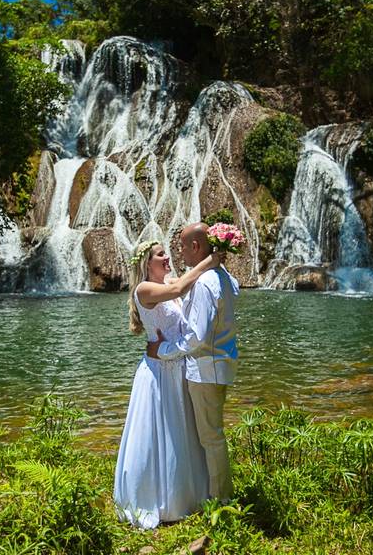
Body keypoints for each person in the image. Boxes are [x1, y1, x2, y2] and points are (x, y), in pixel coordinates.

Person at [113, 239, 221, 528]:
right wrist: (209, 261)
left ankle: (186, 495)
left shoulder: (170, 281)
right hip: (158, 372)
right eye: (161, 255)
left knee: (182, 431)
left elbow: (183, 288)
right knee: (160, 433)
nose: (167, 258)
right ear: (147, 262)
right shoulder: (144, 289)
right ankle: (157, 499)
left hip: (177, 367)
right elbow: (177, 289)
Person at [147, 222, 239, 502]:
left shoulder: (204, 284)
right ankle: (210, 493)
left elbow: (196, 338)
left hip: (205, 368)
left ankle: (221, 501)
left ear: (196, 246)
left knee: (210, 438)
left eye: (183, 246)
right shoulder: (223, 276)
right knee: (210, 434)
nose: (179, 252)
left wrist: (162, 350)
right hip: (220, 363)